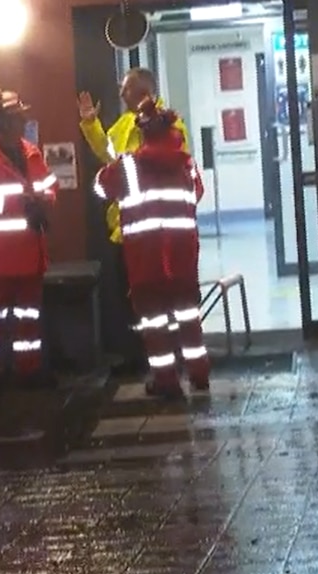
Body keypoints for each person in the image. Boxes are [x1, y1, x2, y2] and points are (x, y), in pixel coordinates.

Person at [92, 97, 209, 399]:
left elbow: (100, 188)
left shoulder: (128, 166)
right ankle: (199, 374)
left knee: (154, 322)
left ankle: (166, 381)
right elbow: (197, 193)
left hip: (145, 259)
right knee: (188, 316)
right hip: (183, 256)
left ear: (142, 132)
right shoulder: (186, 163)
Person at [77, 68, 190, 375]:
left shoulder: (168, 124)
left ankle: (166, 361)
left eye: (125, 89)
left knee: (159, 299)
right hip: (126, 230)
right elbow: (107, 152)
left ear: (142, 91)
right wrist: (90, 123)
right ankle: (140, 356)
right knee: (133, 300)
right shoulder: (126, 123)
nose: (120, 94)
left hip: (158, 233)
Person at [0, 85, 58, 389]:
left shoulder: (31, 152)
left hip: (30, 251)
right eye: (17, 117)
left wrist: (44, 201)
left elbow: (49, 186)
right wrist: (21, 202)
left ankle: (28, 370)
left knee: (29, 315)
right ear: (1, 122)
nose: (22, 122)